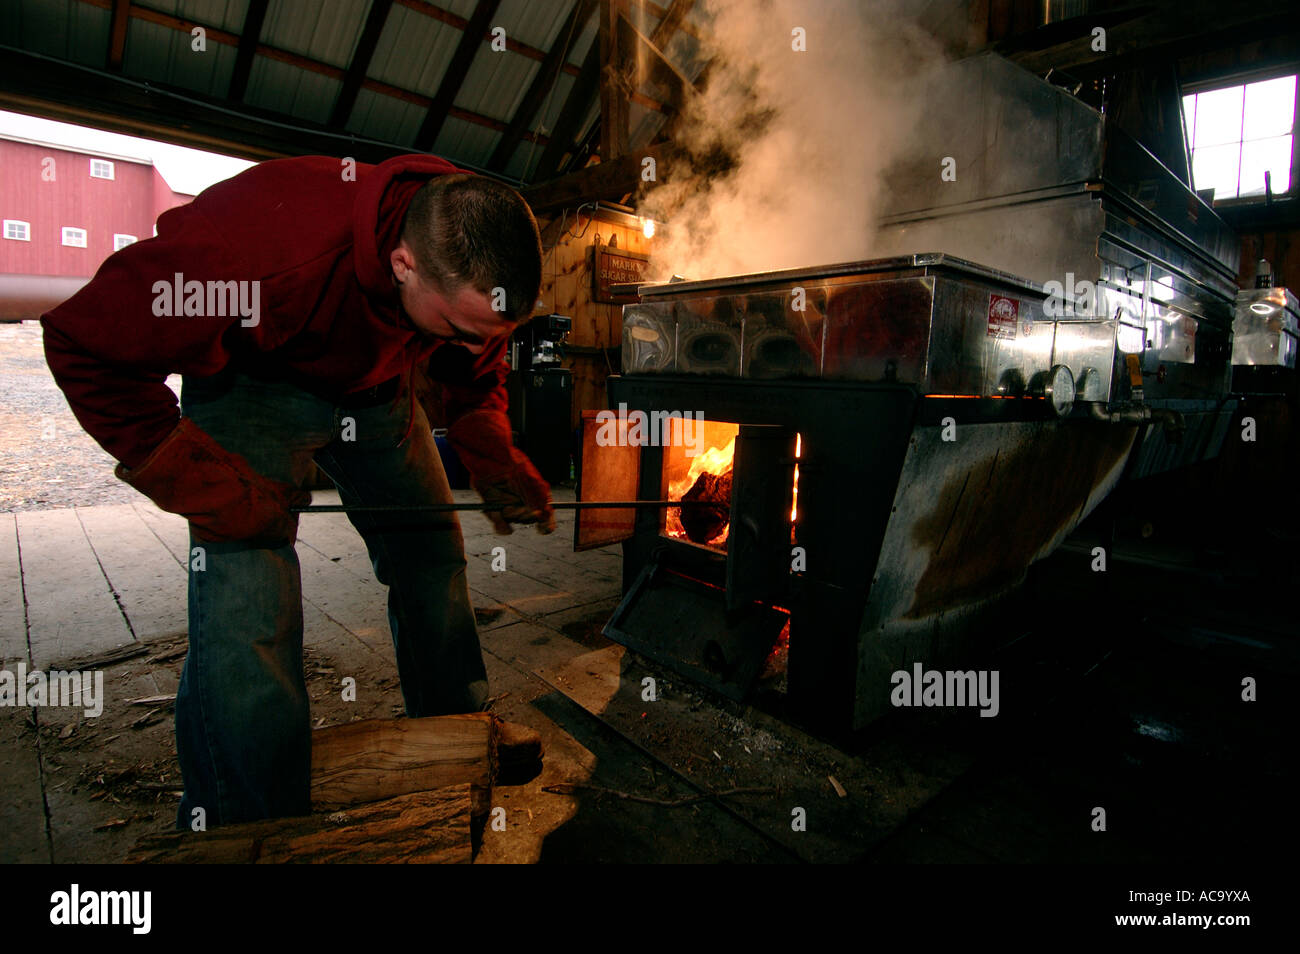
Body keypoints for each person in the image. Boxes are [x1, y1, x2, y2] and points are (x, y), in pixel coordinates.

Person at [41, 154, 554, 828]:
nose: (474, 341)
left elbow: (476, 354)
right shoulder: (245, 253)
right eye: (459, 327)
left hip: (375, 391)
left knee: (431, 551)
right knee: (249, 590)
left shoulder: (461, 246)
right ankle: (250, 817)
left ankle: (459, 733)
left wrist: (486, 441)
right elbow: (83, 344)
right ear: (402, 264)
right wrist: (202, 483)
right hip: (253, 383)